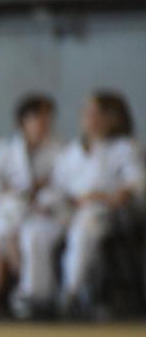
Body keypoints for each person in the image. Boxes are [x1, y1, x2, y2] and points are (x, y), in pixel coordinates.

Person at [20, 91, 145, 317]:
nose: (88, 118)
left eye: (95, 113)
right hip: (69, 210)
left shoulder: (125, 148)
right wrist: (46, 202)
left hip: (103, 213)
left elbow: (136, 183)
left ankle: (71, 294)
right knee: (34, 230)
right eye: (86, 112)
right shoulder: (73, 151)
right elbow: (56, 185)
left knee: (84, 229)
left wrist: (107, 197)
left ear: (113, 117)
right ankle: (37, 297)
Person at [0, 94, 61, 319]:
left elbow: (62, 188)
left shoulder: (60, 150)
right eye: (37, 118)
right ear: (23, 122)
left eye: (47, 118)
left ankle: (0, 292)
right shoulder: (4, 150)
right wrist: (21, 192)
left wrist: (39, 196)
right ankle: (19, 292)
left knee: (16, 230)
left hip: (45, 214)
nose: (43, 124)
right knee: (6, 219)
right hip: (12, 210)